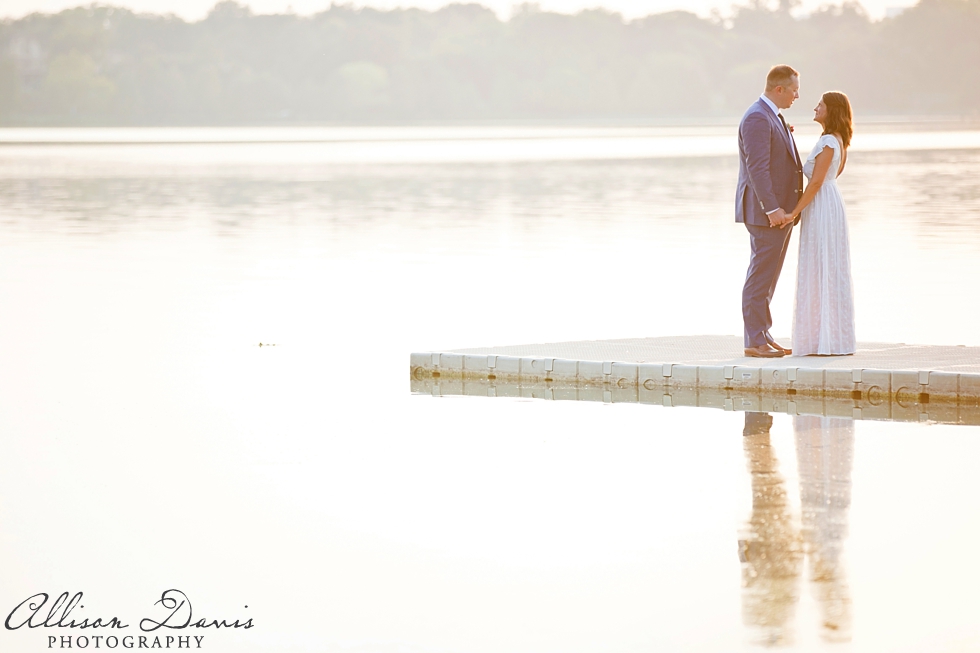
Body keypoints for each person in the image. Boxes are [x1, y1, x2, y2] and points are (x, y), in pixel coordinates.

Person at [736, 65, 804, 358]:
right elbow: (757, 169)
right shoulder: (757, 117)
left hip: (780, 213)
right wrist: (772, 208)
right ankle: (754, 341)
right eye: (794, 90)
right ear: (779, 89)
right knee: (760, 276)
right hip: (767, 214)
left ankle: (762, 334)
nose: (797, 96)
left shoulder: (771, 115)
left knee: (769, 276)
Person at [785, 92, 856, 356]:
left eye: (820, 105)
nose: (815, 108)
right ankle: (827, 338)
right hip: (829, 202)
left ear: (831, 110)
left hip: (822, 204)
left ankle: (822, 339)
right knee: (827, 265)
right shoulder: (838, 140)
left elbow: (816, 182)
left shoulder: (828, 141)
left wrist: (793, 212)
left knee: (819, 264)